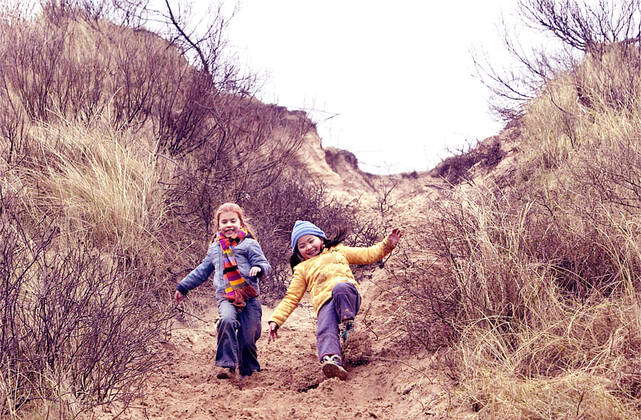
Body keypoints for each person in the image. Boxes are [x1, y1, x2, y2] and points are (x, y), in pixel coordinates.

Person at [267, 220, 402, 380]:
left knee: (340, 288)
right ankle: (331, 360)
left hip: (347, 297)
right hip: (325, 304)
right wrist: (276, 320)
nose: (308, 247)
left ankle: (347, 324)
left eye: (311, 241)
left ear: (321, 239)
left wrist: (387, 244)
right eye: (302, 246)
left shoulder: (338, 251)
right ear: (298, 252)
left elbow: (367, 254)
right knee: (324, 327)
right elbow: (291, 298)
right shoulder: (302, 269)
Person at [174, 202, 271, 379]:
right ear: (218, 225)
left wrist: (259, 268)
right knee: (226, 321)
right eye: (224, 222)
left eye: (232, 221)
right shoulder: (215, 248)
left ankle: (248, 368)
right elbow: (202, 271)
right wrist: (183, 287)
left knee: (249, 336)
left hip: (249, 296)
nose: (228, 225)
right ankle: (227, 365)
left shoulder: (249, 244)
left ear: (241, 222)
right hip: (226, 296)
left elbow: (265, 264)